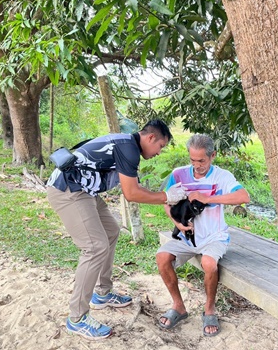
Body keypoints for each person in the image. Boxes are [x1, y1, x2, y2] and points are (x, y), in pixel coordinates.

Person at [46, 119, 187, 340]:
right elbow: (131, 194)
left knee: (111, 230)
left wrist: (166, 195)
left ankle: (102, 293)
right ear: (150, 138)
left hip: (85, 190)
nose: (159, 152)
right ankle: (77, 318)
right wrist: (167, 196)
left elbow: (135, 187)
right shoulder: (128, 148)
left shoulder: (126, 144)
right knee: (95, 247)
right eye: (160, 146)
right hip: (68, 189)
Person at [156, 134, 250, 337]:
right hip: (186, 236)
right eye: (192, 160)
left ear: (212, 155)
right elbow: (166, 201)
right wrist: (177, 224)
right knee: (162, 257)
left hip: (214, 236)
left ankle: (209, 310)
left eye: (201, 161)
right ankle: (178, 306)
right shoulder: (178, 174)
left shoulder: (222, 176)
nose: (197, 165)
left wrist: (206, 198)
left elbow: (243, 197)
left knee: (209, 264)